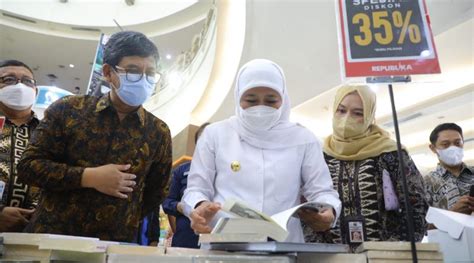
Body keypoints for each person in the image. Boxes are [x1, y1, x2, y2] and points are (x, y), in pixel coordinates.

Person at [17, 31, 172, 242]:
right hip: (51, 239)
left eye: (150, 73)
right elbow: (28, 166)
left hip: (114, 246)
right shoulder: (69, 110)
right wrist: (88, 177)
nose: (143, 80)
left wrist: (124, 217)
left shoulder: (158, 132)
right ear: (108, 72)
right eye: (133, 71)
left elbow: (155, 194)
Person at [182, 59, 341, 243]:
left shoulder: (303, 139)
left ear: (283, 99)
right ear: (238, 96)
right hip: (225, 245)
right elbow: (196, 189)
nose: (260, 107)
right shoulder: (215, 135)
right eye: (251, 100)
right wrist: (199, 206)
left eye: (271, 100)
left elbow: (322, 191)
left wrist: (328, 210)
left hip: (283, 247)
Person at [304, 85, 428, 246]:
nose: (346, 118)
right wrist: (318, 248)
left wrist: (397, 248)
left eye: (358, 113)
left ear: (370, 116)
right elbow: (305, 206)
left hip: (383, 254)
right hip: (331, 255)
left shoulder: (390, 153)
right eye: (341, 111)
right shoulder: (320, 155)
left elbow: (415, 203)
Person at [0, 59, 40, 232]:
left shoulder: (48, 132)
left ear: (35, 91)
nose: (19, 86)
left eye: (27, 81)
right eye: (9, 80)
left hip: (34, 235)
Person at [162, 122, 210, 248]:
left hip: (217, 240)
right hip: (186, 239)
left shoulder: (228, 171)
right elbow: (167, 201)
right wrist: (180, 207)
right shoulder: (181, 171)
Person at [424, 123, 474, 215]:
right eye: (445, 144)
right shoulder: (427, 183)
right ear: (433, 148)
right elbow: (422, 225)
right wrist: (452, 213)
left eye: (457, 143)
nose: (453, 148)